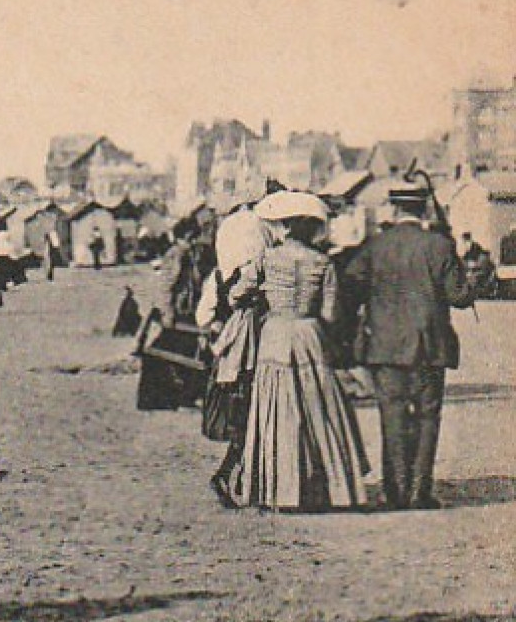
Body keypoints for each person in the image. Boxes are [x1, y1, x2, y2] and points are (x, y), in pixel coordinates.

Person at [343, 183, 475, 510]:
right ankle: (420, 491)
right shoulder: (440, 246)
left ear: (395, 208)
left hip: (385, 348)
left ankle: (395, 491)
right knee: (428, 417)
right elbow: (459, 296)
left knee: (392, 416)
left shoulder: (374, 246)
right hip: (430, 347)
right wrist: (473, 278)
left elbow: (349, 288)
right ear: (423, 210)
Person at [232, 197, 369, 511]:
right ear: (312, 229)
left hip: (276, 335)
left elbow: (237, 294)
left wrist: (256, 299)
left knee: (278, 409)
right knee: (317, 409)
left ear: (285, 225)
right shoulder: (323, 263)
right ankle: (328, 487)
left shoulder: (267, 259)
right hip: (309, 335)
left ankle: (280, 488)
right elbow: (331, 313)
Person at [197, 195, 277, 507]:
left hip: (238, 352)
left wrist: (217, 330)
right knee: (250, 414)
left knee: (249, 414)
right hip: (251, 349)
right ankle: (237, 474)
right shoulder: (250, 278)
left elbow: (205, 314)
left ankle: (242, 476)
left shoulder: (221, 276)